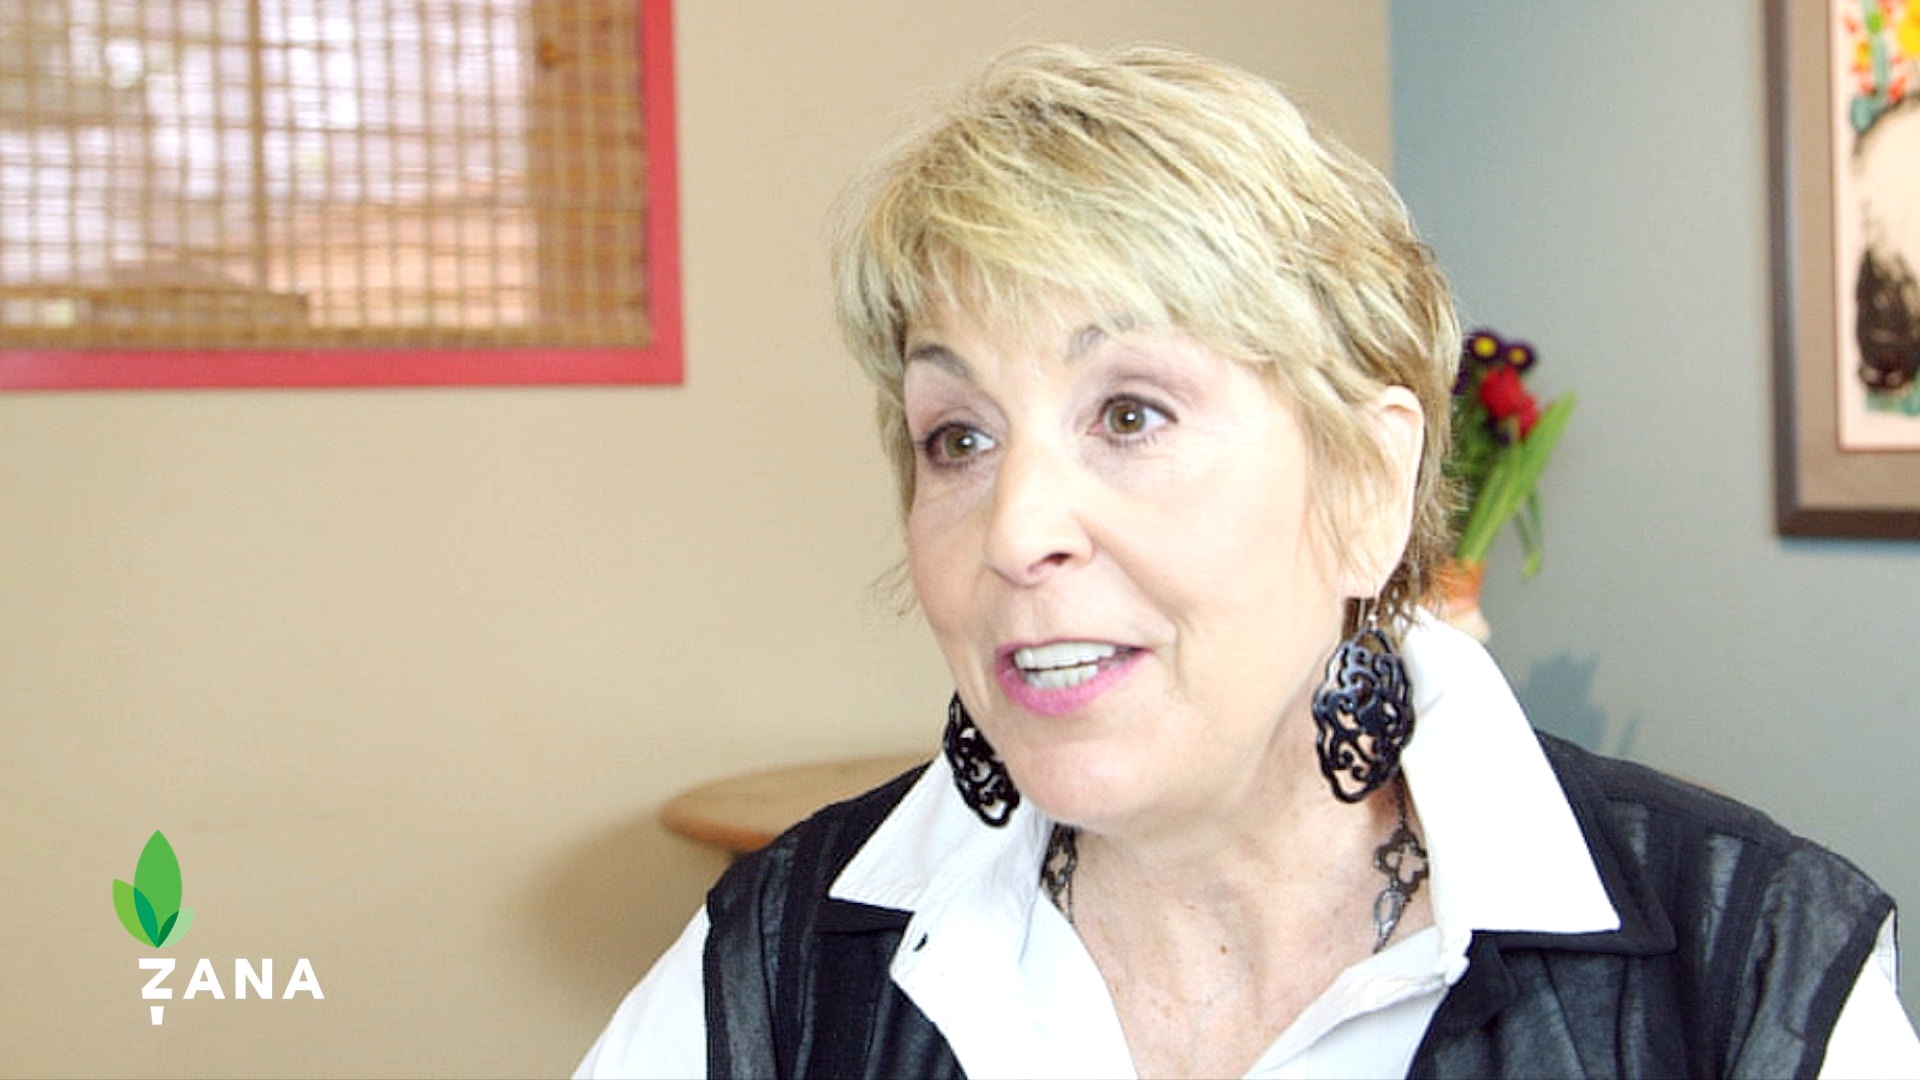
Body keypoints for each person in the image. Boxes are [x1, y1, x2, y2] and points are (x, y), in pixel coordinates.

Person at [575, 43, 1920, 1078]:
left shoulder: (1746, 973)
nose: (1015, 530)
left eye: (1130, 414)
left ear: (1368, 483)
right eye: (959, 437)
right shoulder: (775, 964)